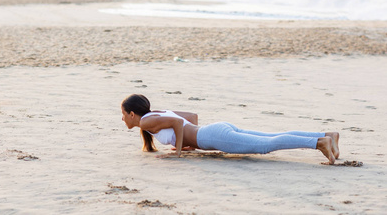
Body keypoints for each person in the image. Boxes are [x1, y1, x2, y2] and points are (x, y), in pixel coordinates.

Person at [121, 94, 340, 164]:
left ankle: (319, 143)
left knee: (266, 145)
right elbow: (190, 118)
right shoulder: (156, 113)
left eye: (123, 114)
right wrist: (190, 143)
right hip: (214, 130)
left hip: (213, 136)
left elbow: (179, 124)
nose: (122, 119)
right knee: (270, 137)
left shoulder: (146, 123)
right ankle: (326, 135)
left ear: (133, 114)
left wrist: (179, 151)